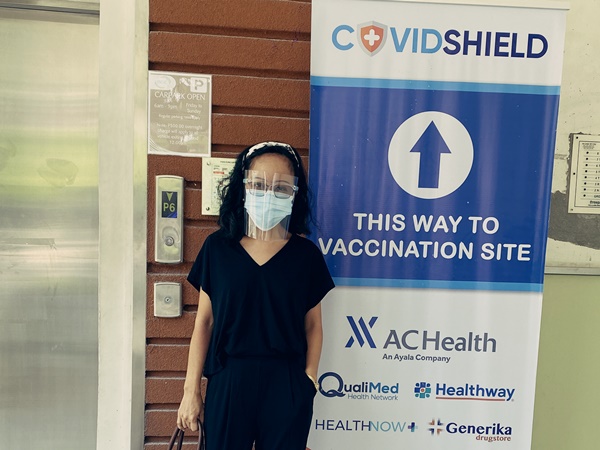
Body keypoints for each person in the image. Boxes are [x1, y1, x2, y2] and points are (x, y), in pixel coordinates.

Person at [177, 141, 335, 450]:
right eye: (259, 185)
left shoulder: (306, 256)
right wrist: (190, 390)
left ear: (294, 194)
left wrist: (309, 379)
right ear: (243, 187)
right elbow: (204, 323)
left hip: (287, 383)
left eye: (281, 188)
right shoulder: (218, 249)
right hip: (229, 379)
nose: (268, 194)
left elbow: (313, 325)